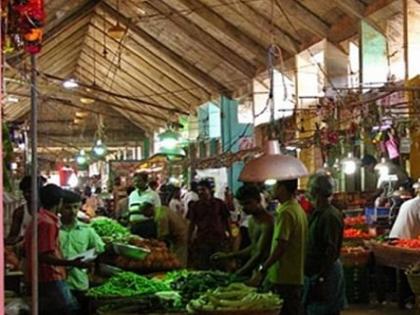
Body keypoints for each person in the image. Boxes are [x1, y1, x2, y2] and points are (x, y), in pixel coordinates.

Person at [24, 184, 89, 315]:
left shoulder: (39, 218)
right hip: (49, 276)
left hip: (39, 275)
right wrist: (72, 263)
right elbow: (43, 255)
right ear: (59, 202)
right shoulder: (47, 223)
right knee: (69, 309)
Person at [250, 179, 308, 315]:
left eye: (276, 186)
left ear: (282, 188)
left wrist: (263, 268)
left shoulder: (286, 213)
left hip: (284, 276)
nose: (272, 189)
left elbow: (281, 246)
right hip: (294, 274)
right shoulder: (296, 209)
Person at [303, 173, 346, 315]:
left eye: (309, 189)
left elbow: (331, 250)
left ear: (316, 192)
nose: (307, 193)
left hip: (326, 273)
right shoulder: (318, 213)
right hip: (318, 272)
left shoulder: (330, 216)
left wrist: (321, 277)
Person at [59, 190, 105, 314]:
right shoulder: (53, 230)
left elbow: (99, 248)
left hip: (79, 283)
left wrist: (89, 259)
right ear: (59, 207)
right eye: (68, 207)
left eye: (75, 207)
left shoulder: (87, 230)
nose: (73, 211)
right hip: (57, 284)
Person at [211, 184, 274, 277]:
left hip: (268, 271)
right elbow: (253, 248)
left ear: (258, 200)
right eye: (242, 204)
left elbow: (259, 253)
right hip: (257, 271)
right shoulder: (252, 220)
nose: (244, 207)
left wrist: (238, 273)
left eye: (248, 203)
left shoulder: (268, 223)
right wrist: (228, 256)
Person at [187, 179, 231, 270]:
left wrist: (230, 235)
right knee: (203, 265)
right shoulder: (195, 206)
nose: (200, 192)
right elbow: (191, 224)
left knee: (220, 264)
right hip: (203, 240)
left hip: (219, 240)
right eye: (198, 190)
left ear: (209, 190)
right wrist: (188, 238)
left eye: (203, 189)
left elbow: (226, 220)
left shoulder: (219, 203)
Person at [141, 200, 189, 267]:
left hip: (179, 233)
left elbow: (163, 233)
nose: (145, 215)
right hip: (178, 232)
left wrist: (156, 245)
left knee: (179, 255)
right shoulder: (161, 208)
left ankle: (180, 271)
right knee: (176, 252)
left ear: (149, 209)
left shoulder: (160, 216)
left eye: (144, 213)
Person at [6, 176, 42, 245]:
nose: (26, 194)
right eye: (24, 192)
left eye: (29, 191)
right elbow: (13, 235)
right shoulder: (19, 212)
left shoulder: (46, 209)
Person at [128, 173, 158, 237]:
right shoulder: (132, 194)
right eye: (135, 181)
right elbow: (130, 209)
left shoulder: (153, 195)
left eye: (139, 181)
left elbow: (158, 212)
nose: (136, 183)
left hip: (147, 226)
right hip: (134, 226)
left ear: (146, 181)